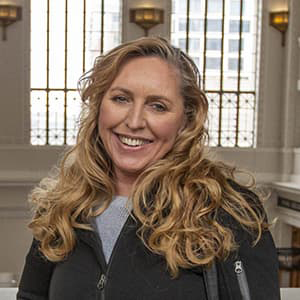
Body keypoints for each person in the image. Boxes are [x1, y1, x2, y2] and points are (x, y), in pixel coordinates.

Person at [17, 37, 280, 300]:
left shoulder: (227, 211)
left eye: (158, 106)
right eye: (121, 99)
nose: (134, 122)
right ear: (99, 107)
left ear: (186, 121)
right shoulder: (63, 207)